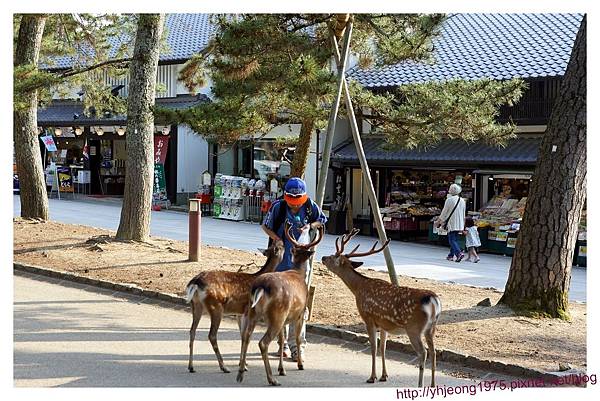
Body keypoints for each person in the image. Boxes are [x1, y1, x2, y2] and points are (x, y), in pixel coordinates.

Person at [262, 177, 327, 361]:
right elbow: (265, 226)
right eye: (292, 201)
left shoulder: (310, 206)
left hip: (301, 265)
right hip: (281, 265)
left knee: (299, 306)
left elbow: (321, 220)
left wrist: (311, 225)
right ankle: (281, 344)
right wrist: (277, 238)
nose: (295, 206)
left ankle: (298, 346)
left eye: (298, 201)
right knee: (280, 303)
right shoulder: (278, 207)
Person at [435, 183, 466, 262]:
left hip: (452, 222)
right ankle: (451, 255)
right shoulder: (462, 200)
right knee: (455, 239)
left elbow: (444, 212)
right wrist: (463, 224)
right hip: (460, 222)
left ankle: (459, 253)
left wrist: (438, 221)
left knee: (452, 240)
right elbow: (463, 213)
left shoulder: (449, 200)